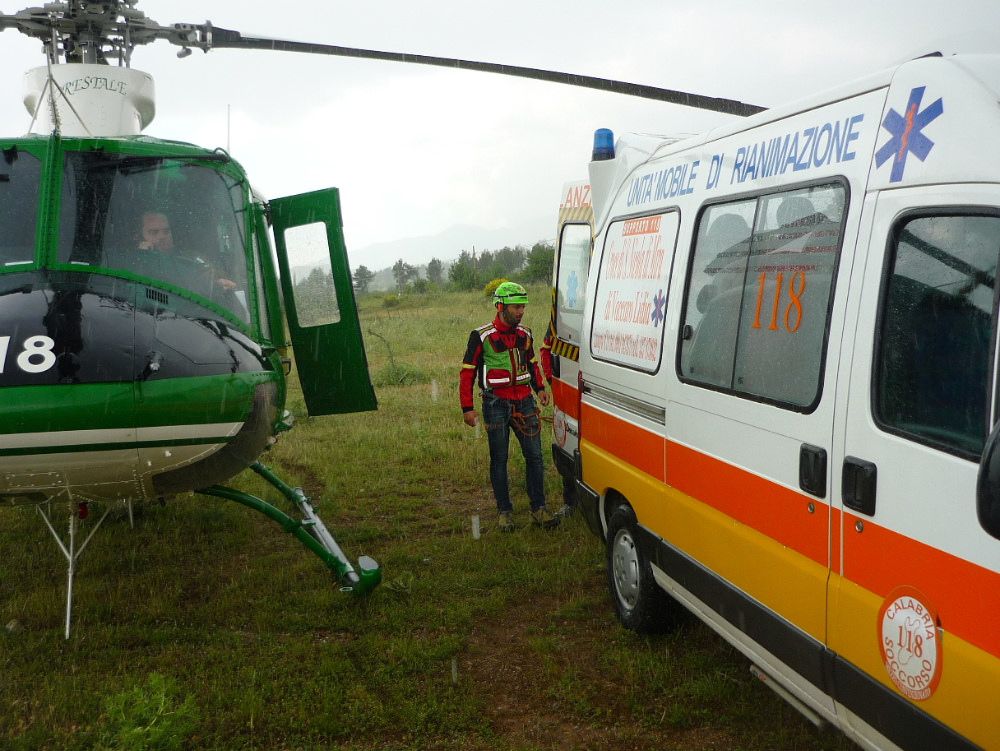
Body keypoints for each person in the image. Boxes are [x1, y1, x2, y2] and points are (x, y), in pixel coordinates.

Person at [460, 281, 558, 532]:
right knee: (499, 459)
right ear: (501, 305)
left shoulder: (525, 334)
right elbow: (467, 373)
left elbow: (532, 362)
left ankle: (539, 509)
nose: (521, 311)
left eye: (523, 306)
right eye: (516, 307)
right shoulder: (481, 336)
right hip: (495, 404)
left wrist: (540, 389)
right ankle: (505, 512)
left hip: (525, 401)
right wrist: (467, 408)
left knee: (535, 456)